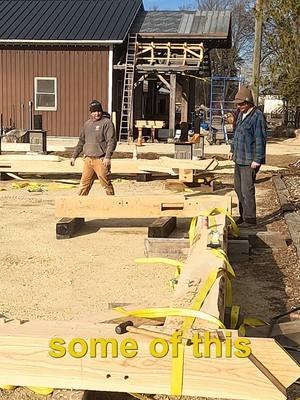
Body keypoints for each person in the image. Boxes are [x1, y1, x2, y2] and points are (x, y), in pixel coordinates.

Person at [228, 85, 266, 228]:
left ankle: (250, 219)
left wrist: (258, 159)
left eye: (241, 104)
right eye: (237, 104)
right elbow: (237, 134)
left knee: (247, 190)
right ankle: (243, 216)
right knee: (238, 189)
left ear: (248, 102)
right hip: (238, 158)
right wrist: (232, 149)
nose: (239, 106)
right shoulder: (240, 115)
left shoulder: (257, 116)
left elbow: (260, 139)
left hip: (249, 160)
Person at [70, 100, 117, 196]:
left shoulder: (107, 123)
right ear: (90, 113)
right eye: (94, 111)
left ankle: (112, 203)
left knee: (106, 184)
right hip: (88, 160)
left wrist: (108, 157)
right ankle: (80, 203)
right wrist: (74, 156)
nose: (97, 113)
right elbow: (81, 141)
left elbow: (111, 141)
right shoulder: (87, 124)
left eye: (99, 111)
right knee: (84, 185)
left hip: (101, 159)